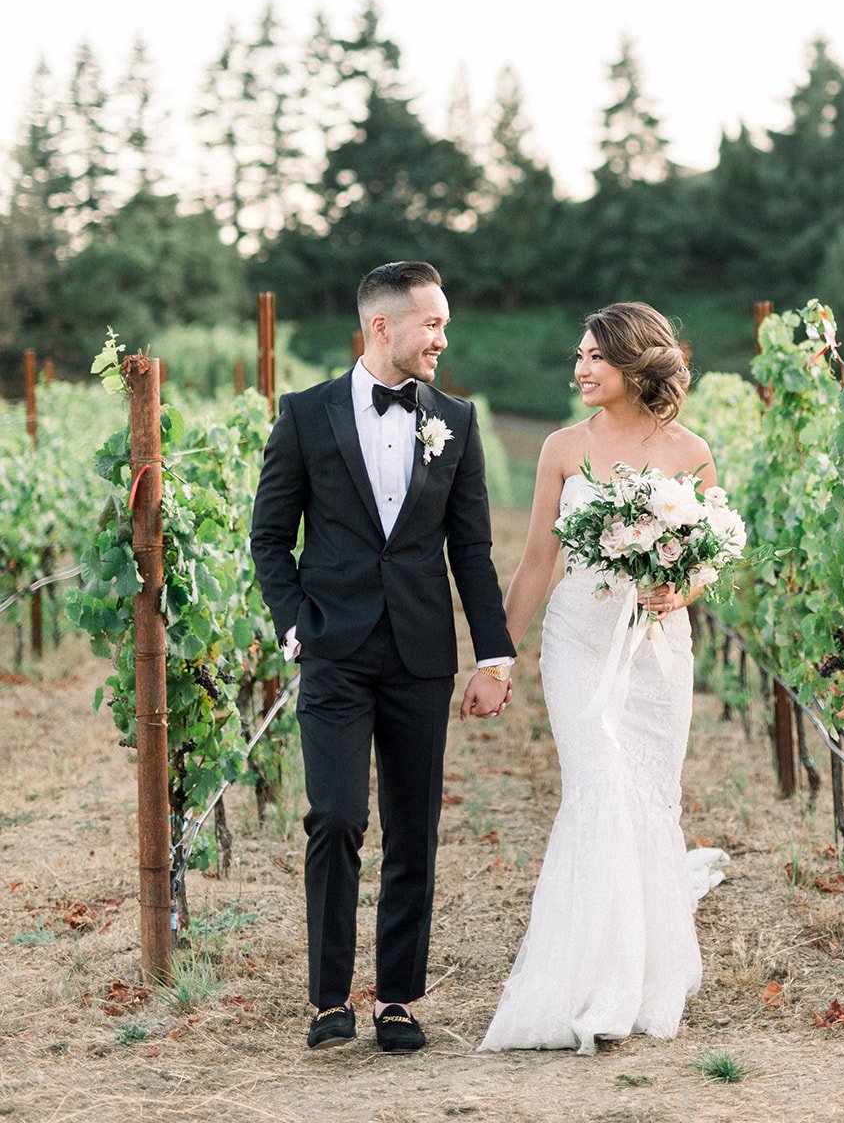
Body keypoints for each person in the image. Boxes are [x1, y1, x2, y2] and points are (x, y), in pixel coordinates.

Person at [250, 261, 516, 1054]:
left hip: (419, 653)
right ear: (382, 327)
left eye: (443, 325)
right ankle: (329, 999)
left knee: (414, 830)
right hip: (332, 649)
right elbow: (270, 537)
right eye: (430, 324)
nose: (442, 338)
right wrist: (294, 626)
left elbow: (471, 551)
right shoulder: (305, 415)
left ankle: (397, 999)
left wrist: (494, 656)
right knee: (334, 818)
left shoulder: (457, 422)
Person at [480, 301, 727, 1056]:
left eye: (595, 357)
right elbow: (533, 563)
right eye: (578, 355)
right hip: (579, 642)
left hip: (656, 651)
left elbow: (708, 558)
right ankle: (586, 981)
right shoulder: (561, 448)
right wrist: (497, 658)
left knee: (648, 795)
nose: (580, 368)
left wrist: (675, 589)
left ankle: (643, 970)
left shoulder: (691, 453)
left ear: (633, 365)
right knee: (597, 790)